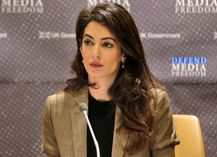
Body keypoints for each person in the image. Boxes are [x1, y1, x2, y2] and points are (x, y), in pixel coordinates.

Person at [41, 2, 179, 157]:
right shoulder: (56, 108)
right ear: (80, 48)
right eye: (88, 42)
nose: (95, 54)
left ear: (124, 53)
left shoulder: (153, 104)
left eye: (107, 44)